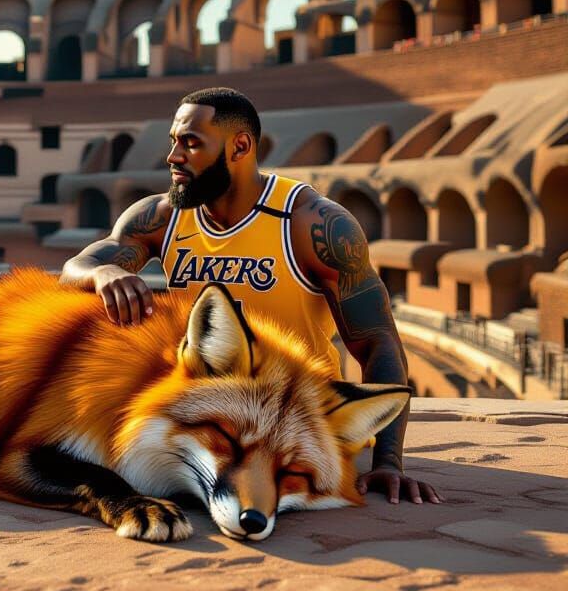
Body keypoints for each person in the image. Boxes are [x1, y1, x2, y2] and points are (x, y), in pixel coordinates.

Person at [60, 86, 443, 506]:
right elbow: (75, 269)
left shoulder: (312, 223)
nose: (173, 157)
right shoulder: (162, 217)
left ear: (239, 146)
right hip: (210, 423)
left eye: (190, 143)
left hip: (294, 426)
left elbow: (378, 342)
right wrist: (104, 272)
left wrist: (388, 461)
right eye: (173, 141)